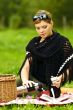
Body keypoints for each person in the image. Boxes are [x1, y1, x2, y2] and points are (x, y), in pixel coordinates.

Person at [18, 10, 73, 97]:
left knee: (21, 93)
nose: (41, 31)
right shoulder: (34, 43)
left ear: (51, 24)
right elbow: (26, 66)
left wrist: (60, 78)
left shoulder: (62, 42)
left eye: (44, 27)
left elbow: (71, 65)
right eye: (38, 28)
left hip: (48, 84)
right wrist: (25, 81)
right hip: (31, 80)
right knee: (7, 87)